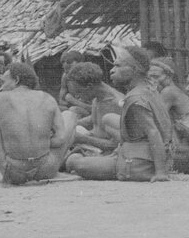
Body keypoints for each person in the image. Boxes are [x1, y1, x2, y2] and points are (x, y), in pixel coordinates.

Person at [65, 46, 172, 182]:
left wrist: (161, 172)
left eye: (118, 66)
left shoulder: (135, 99)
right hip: (140, 155)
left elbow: (153, 132)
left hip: (137, 163)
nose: (111, 70)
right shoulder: (148, 89)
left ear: (134, 70)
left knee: (75, 163)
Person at [0, 62, 76, 185]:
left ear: (16, 80)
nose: (1, 87)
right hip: (46, 169)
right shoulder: (48, 98)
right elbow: (60, 139)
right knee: (70, 115)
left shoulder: (0, 98)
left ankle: (3, 166)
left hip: (13, 172)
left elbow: (4, 131)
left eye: (4, 82)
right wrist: (40, 139)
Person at [148, 56, 189, 173]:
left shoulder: (168, 92)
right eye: (149, 77)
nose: (152, 81)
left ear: (169, 76)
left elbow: (155, 121)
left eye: (156, 77)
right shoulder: (173, 91)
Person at [63, 62, 125, 153]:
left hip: (107, 152)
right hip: (94, 142)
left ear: (89, 86)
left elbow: (117, 145)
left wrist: (83, 139)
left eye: (79, 92)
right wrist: (69, 124)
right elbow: (94, 119)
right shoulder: (98, 97)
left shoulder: (117, 104)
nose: (77, 97)